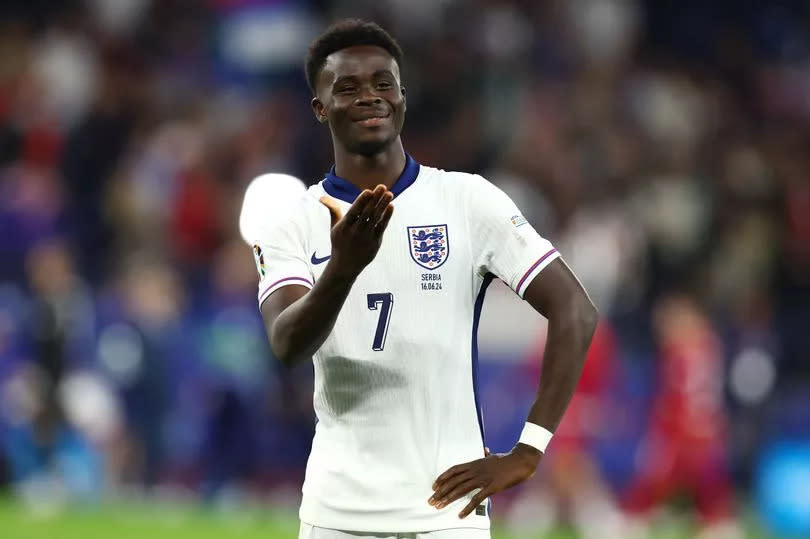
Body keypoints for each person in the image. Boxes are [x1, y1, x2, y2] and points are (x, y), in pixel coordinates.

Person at [255, 19, 597, 539]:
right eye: (347, 87)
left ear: (403, 98)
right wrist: (343, 269)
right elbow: (285, 344)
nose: (369, 96)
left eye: (382, 83)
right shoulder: (292, 221)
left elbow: (575, 310)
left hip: (447, 515)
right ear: (320, 108)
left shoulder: (466, 200)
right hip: (337, 513)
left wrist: (528, 450)